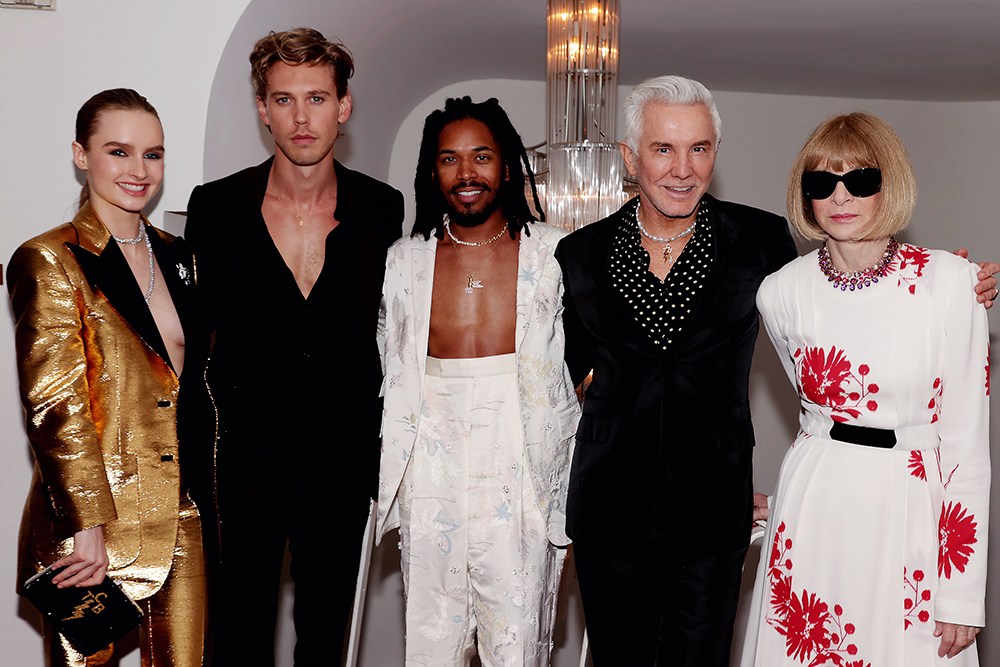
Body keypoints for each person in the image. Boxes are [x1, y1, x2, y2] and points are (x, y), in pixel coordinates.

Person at [555, 76, 999, 667]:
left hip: (722, 520)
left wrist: (955, 283)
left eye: (700, 148)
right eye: (663, 149)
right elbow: (555, 385)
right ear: (631, 158)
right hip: (613, 512)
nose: (682, 168)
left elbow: (865, 313)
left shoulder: (761, 245)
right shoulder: (578, 255)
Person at [184, 28, 403, 666]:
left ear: (345, 106)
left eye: (316, 98)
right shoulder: (217, 208)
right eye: (283, 100)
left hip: (343, 464)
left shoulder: (384, 210)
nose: (301, 118)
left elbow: (398, 338)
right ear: (262, 109)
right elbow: (192, 345)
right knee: (237, 639)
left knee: (324, 640)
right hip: (240, 469)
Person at [742, 112, 989, 666]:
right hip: (815, 506)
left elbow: (967, 447)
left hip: (911, 510)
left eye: (861, 180)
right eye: (821, 183)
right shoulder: (780, 293)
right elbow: (812, 415)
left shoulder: (952, 284)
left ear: (889, 184)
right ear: (805, 195)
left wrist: (961, 593)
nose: (840, 196)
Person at [8, 88, 213, 666]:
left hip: (183, 515)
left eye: (153, 154)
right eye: (118, 151)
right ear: (81, 154)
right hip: (94, 524)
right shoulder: (51, 259)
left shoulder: (182, 258)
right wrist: (86, 526)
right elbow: (55, 404)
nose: (138, 170)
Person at [376, 96, 579, 666]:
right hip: (430, 465)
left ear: (506, 166)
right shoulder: (403, 261)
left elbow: (592, 365)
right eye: (449, 160)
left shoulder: (556, 254)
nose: (466, 174)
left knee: (516, 647)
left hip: (522, 465)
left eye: (481, 157)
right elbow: (387, 366)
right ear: (432, 171)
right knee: (431, 643)